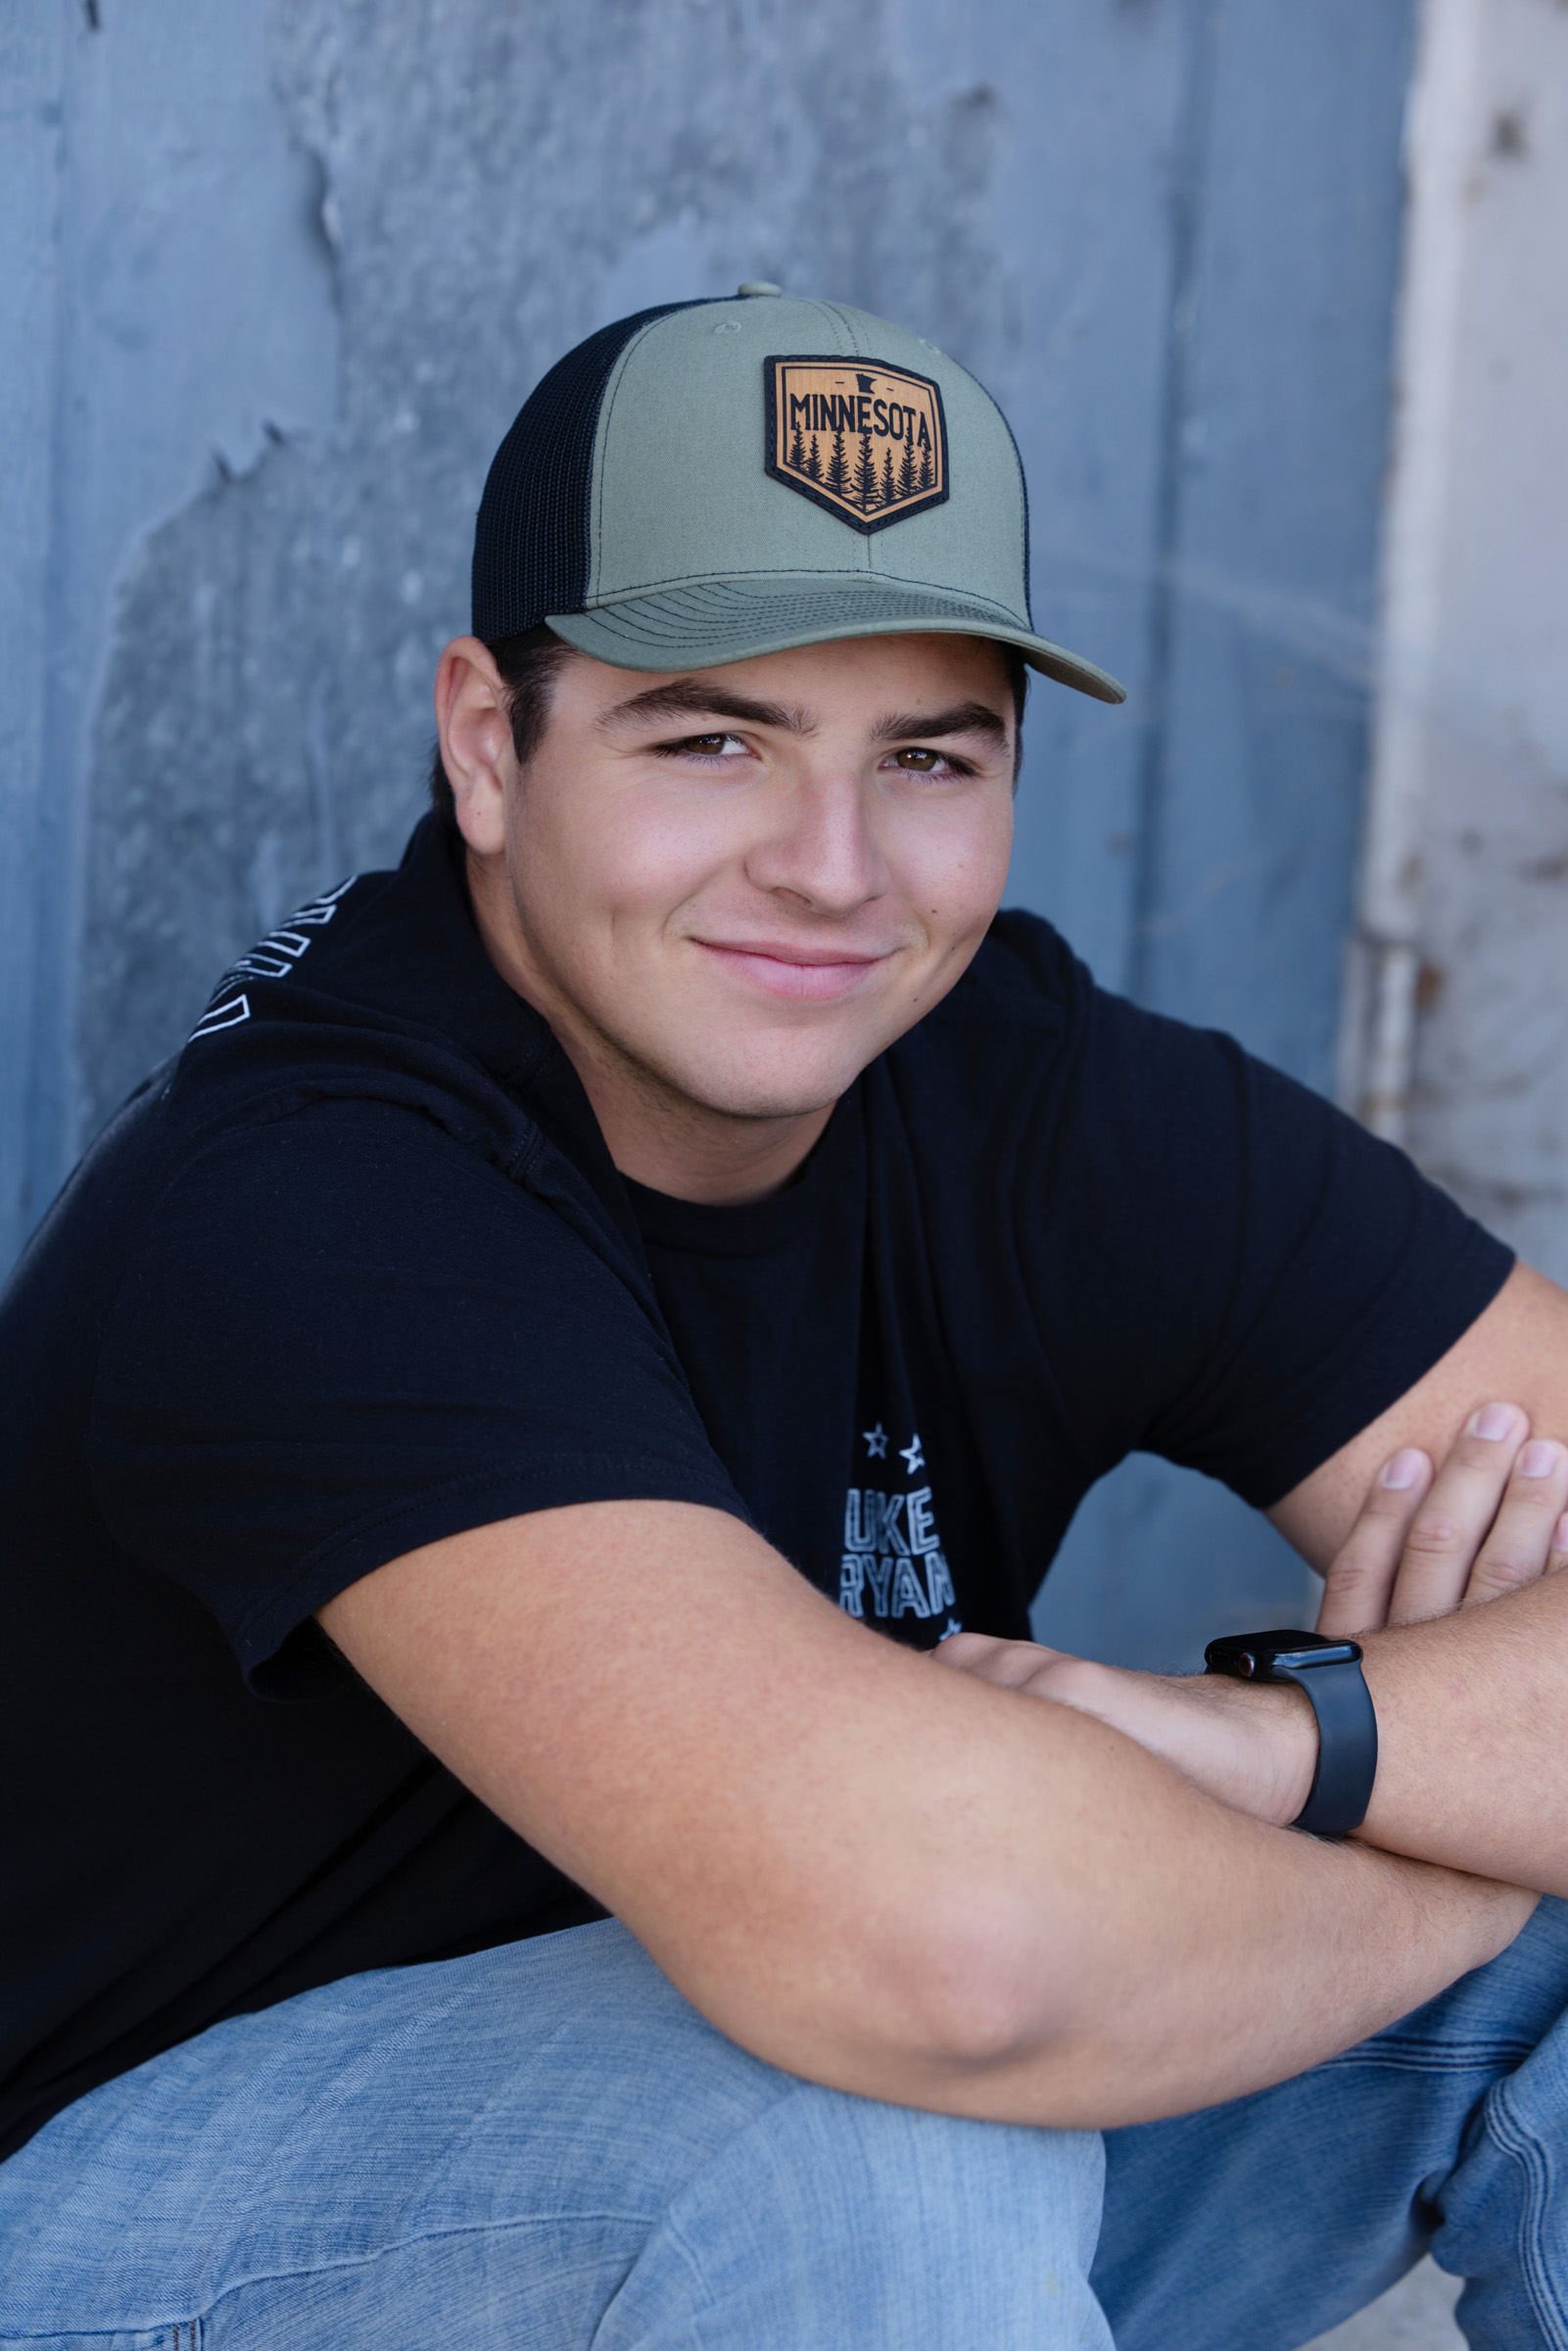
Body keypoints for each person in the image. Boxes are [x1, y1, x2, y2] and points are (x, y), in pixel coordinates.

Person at [3, 287, 1568, 2350]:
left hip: (791, 2212)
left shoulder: (1028, 1094)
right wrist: (1473, 1839)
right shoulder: (316, 1199)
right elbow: (951, 1957)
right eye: (714, 736)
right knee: (866, 2121)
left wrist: (1289, 1742)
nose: (835, 871)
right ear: (492, 742)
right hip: (150, 2216)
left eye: (927, 756)